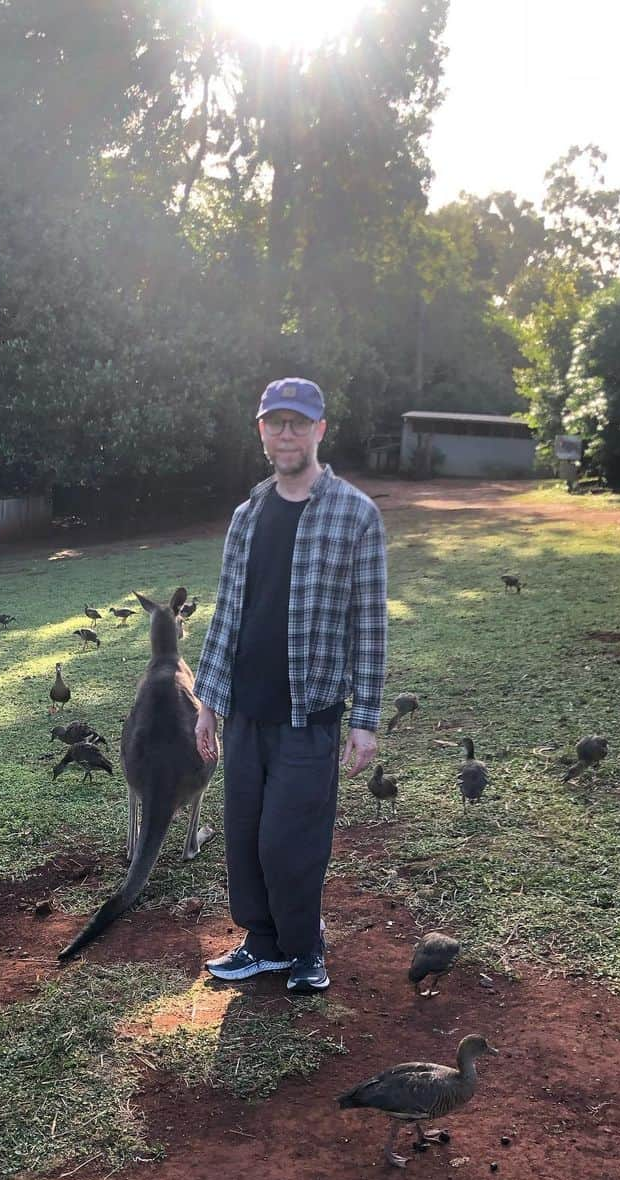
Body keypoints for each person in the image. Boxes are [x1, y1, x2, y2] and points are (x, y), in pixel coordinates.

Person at [193, 377, 387, 993]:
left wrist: (365, 717)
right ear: (261, 432)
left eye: (298, 423)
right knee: (246, 839)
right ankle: (263, 943)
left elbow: (369, 621)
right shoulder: (247, 516)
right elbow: (229, 612)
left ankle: (306, 948)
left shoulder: (355, 514)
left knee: (289, 841)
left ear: (320, 431)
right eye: (275, 423)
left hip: (312, 713)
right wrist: (208, 704)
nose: (286, 434)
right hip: (246, 709)